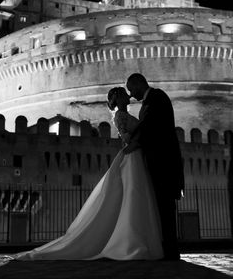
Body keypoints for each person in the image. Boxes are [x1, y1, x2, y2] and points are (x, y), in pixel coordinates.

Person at [12, 86, 163, 260]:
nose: (128, 95)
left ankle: (136, 240)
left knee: (135, 195)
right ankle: (130, 242)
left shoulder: (124, 115)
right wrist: (141, 139)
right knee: (132, 195)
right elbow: (127, 138)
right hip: (132, 155)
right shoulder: (120, 116)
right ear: (119, 99)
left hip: (136, 156)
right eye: (124, 94)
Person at [125, 73, 184, 261]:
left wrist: (133, 144)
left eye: (131, 89)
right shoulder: (149, 102)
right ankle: (166, 249)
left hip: (163, 163)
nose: (131, 95)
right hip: (156, 163)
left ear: (139, 84)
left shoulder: (157, 97)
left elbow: (148, 126)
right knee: (160, 207)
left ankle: (171, 251)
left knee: (165, 208)